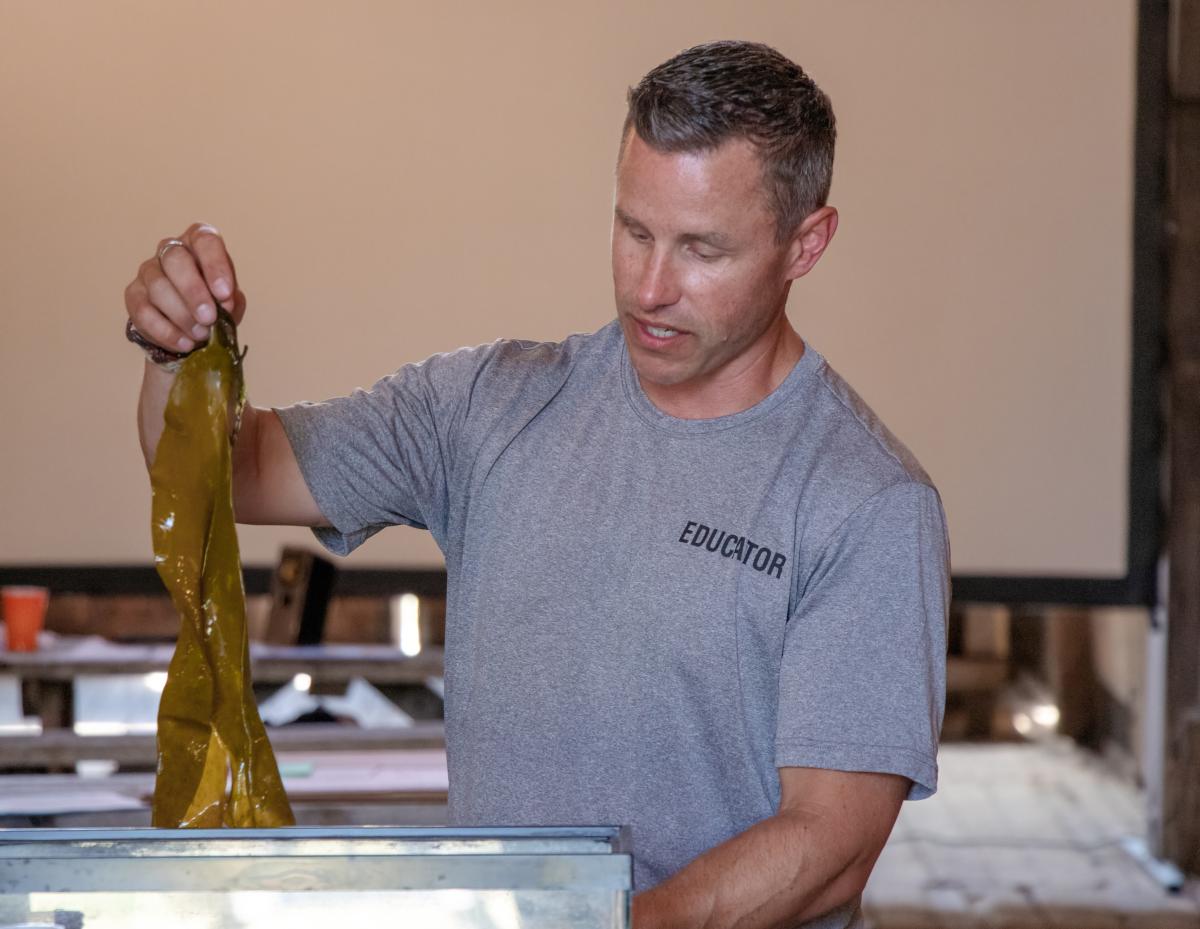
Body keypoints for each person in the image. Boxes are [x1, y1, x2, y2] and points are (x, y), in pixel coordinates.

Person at [125, 40, 950, 929]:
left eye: (702, 249)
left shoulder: (866, 501)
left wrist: (609, 926)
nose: (650, 286)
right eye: (634, 230)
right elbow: (235, 474)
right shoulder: (490, 405)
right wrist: (178, 356)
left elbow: (828, 845)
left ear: (806, 244)